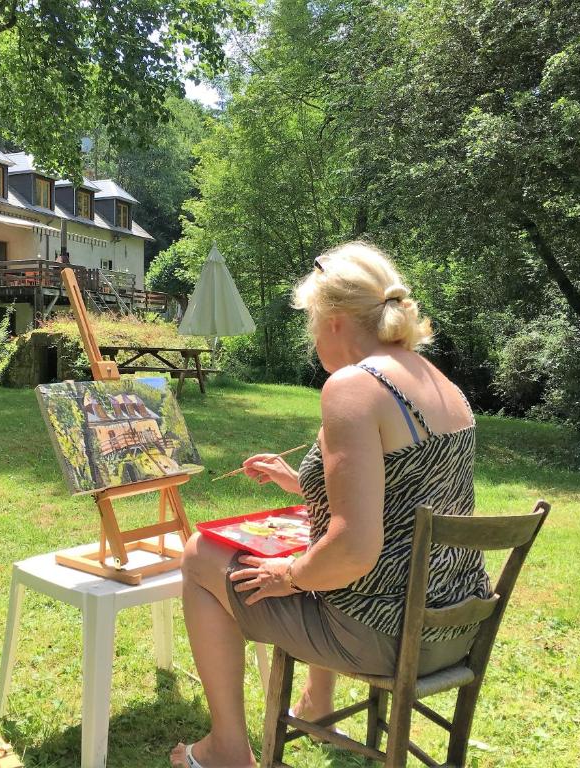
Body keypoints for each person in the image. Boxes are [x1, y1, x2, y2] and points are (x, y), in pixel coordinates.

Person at [170, 241, 487, 768]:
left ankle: (228, 748)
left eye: (311, 322)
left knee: (200, 554)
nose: (311, 335)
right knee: (314, 551)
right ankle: (317, 703)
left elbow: (355, 551)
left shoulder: (353, 386)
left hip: (382, 633)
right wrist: (300, 484)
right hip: (451, 628)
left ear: (335, 320)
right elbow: (401, 496)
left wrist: (286, 576)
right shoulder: (442, 383)